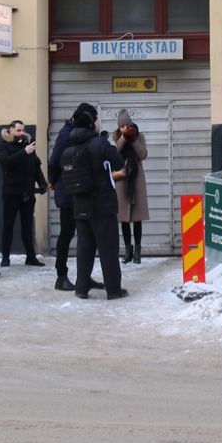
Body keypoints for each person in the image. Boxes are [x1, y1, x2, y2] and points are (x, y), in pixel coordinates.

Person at [57, 104, 128, 300]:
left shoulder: (70, 147)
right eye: (97, 120)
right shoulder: (100, 144)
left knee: (84, 247)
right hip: (102, 205)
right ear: (92, 124)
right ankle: (113, 290)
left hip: (79, 204)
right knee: (108, 248)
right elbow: (119, 163)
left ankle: (81, 288)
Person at [46, 107, 87, 292]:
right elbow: (55, 161)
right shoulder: (66, 136)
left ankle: (84, 276)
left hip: (79, 191)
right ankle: (61, 276)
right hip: (68, 192)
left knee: (83, 235)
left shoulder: (79, 134)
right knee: (67, 234)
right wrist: (53, 181)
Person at [0, 121, 46, 268]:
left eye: (23, 130)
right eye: (18, 130)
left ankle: (31, 257)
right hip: (11, 192)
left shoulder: (28, 145)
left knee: (27, 226)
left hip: (28, 192)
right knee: (8, 225)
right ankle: (5, 257)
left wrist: (42, 183)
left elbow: (36, 166)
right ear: (10, 131)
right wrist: (24, 152)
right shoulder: (4, 145)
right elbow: (6, 162)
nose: (22, 133)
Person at [113, 111, 149, 265]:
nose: (125, 128)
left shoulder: (139, 135)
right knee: (124, 218)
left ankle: (137, 251)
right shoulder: (116, 137)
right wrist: (123, 137)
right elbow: (115, 153)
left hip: (137, 178)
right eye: (122, 126)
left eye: (127, 125)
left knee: (137, 218)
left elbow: (143, 155)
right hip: (122, 179)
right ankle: (128, 250)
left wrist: (134, 140)